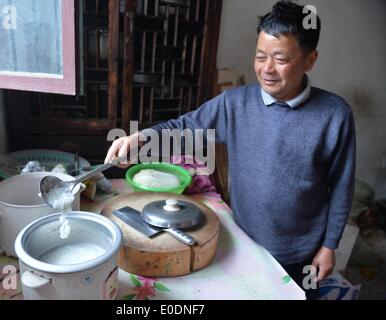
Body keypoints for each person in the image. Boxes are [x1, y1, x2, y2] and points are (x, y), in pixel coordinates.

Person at [105, 0, 356, 300]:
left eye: (280, 59)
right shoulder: (235, 103)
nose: (267, 69)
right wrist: (143, 139)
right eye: (260, 56)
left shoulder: (334, 115)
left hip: (301, 251)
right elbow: (184, 127)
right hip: (245, 240)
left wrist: (329, 246)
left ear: (310, 60)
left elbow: (342, 186)